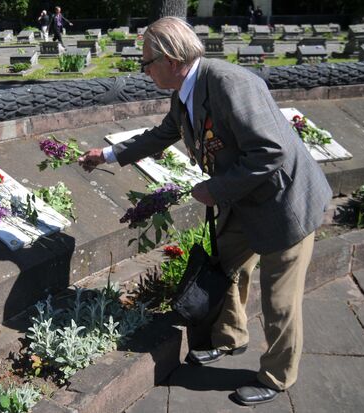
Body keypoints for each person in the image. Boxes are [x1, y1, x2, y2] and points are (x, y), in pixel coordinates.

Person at [78, 17, 332, 406]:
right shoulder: (185, 90)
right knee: (225, 268)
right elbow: (164, 133)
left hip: (284, 203)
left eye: (147, 62)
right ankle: (229, 337)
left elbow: (271, 150)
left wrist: (216, 188)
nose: (144, 71)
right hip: (246, 199)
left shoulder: (230, 83)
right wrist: (108, 154)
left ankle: (278, 375)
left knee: (280, 299)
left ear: (170, 58)